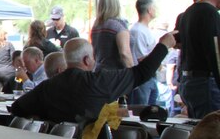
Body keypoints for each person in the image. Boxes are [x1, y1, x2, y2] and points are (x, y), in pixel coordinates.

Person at [10, 34, 175, 124]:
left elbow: (17, 108)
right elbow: (142, 72)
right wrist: (163, 45)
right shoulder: (100, 81)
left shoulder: (47, 87)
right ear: (87, 60)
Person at [177, 0, 220, 117]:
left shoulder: (188, 12)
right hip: (206, 83)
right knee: (211, 133)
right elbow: (215, 55)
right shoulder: (210, 13)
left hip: (189, 81)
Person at [128, 0, 160, 107]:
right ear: (149, 10)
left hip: (151, 77)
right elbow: (139, 58)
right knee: (140, 110)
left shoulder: (144, 30)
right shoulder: (137, 31)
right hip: (143, 79)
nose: (156, 9)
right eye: (154, 7)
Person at [91, 0, 132, 71]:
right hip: (117, 74)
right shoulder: (118, 26)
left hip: (99, 71)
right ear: (116, 5)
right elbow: (125, 53)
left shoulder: (96, 26)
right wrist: (134, 73)